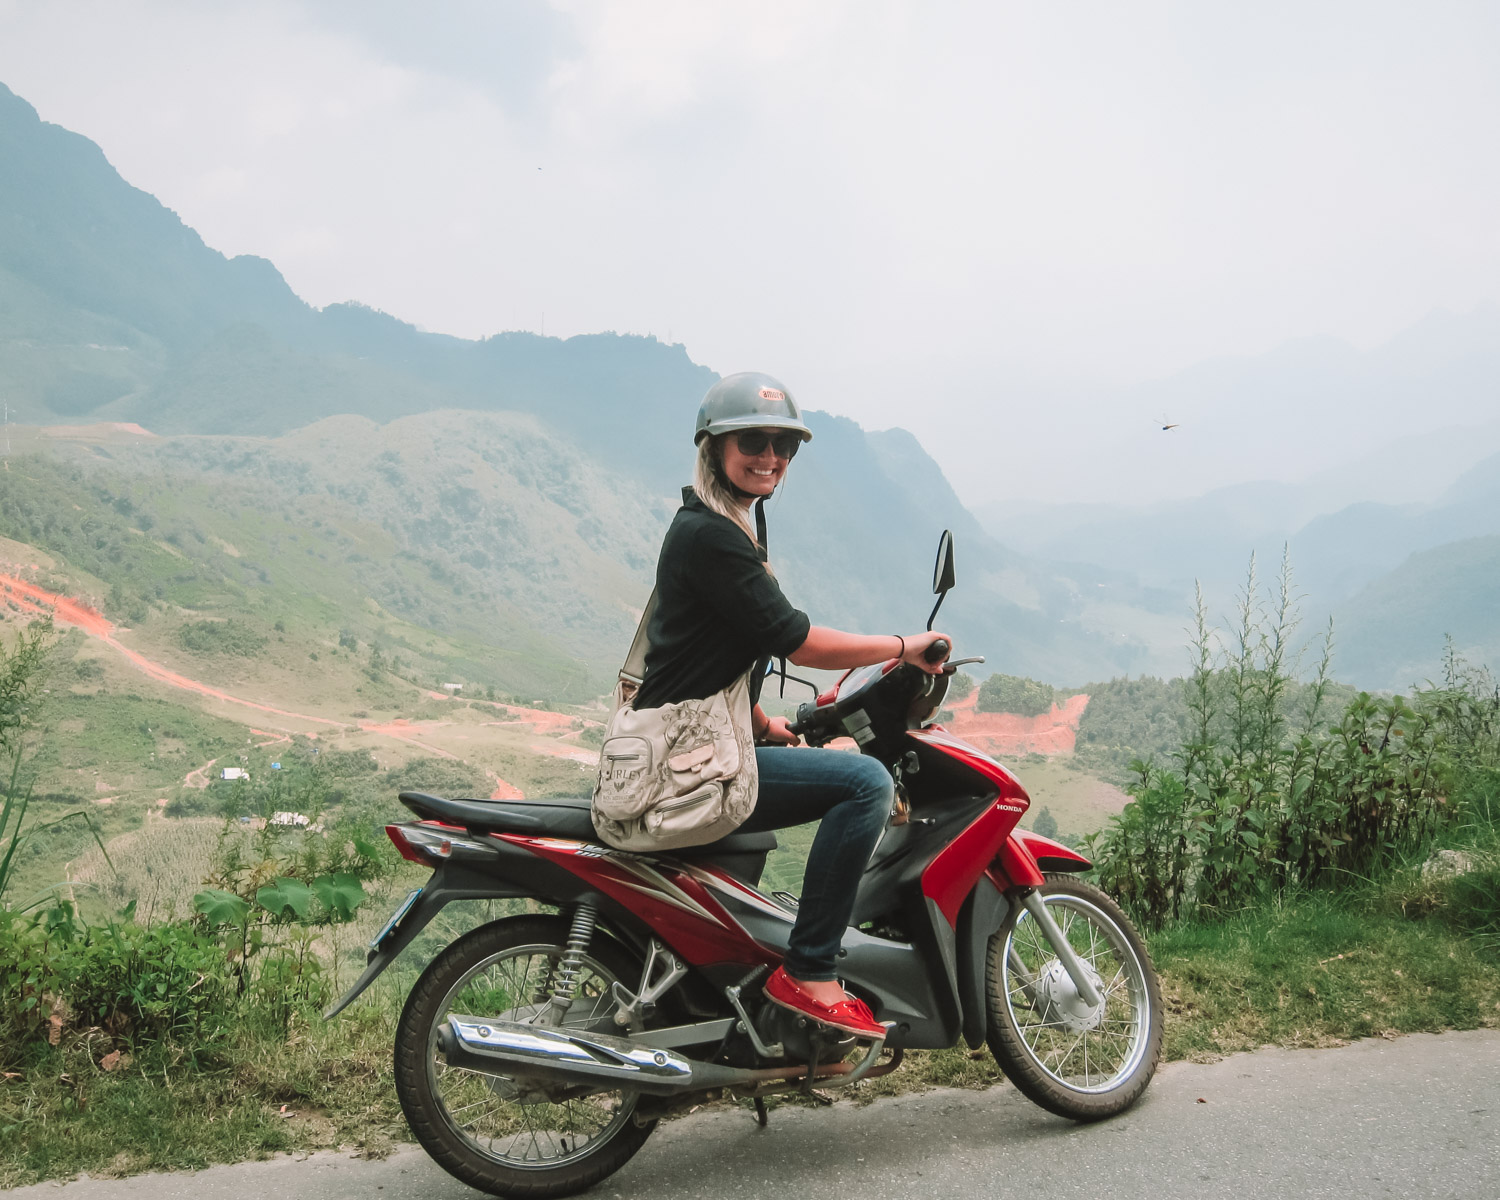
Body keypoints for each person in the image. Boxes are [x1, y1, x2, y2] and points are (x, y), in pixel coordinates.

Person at [632, 371, 950, 1039]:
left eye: (785, 445)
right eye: (754, 440)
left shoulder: (716, 526)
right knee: (864, 784)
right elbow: (796, 641)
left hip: (691, 745)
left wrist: (763, 725)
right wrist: (902, 646)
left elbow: (697, 659)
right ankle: (809, 971)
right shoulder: (715, 538)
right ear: (715, 445)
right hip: (688, 764)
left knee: (830, 772)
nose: (770, 457)